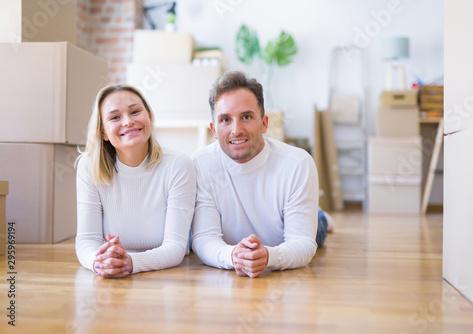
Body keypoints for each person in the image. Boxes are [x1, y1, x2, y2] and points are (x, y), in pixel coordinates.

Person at [191, 71, 329, 278]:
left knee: (318, 227)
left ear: (264, 123)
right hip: (237, 246)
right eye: (225, 120)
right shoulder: (199, 164)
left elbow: (301, 242)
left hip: (281, 239)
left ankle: (320, 214)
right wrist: (234, 256)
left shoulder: (298, 164)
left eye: (246, 117)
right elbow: (204, 238)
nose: (236, 130)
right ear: (214, 129)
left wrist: (268, 257)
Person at [75, 84, 196, 278]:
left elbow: (176, 247)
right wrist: (100, 263)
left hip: (166, 279)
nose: (128, 121)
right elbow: (87, 240)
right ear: (104, 132)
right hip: (111, 279)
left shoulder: (179, 165)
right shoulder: (88, 167)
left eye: (135, 112)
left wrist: (130, 263)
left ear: (150, 117)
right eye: (115, 117)